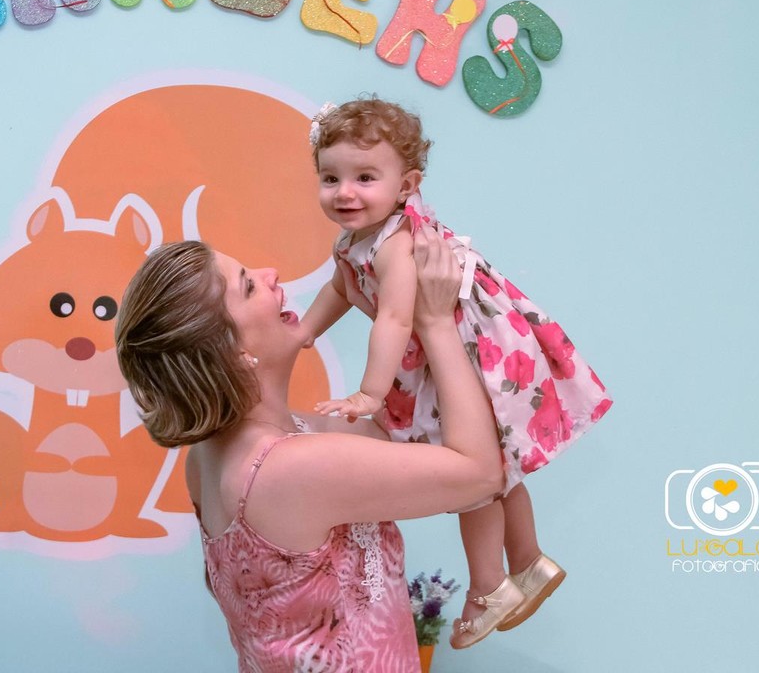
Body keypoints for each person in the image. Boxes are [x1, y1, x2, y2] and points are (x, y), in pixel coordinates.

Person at [115, 228, 503, 672]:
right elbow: (480, 474)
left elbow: (394, 432)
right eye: (248, 285)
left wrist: (395, 313)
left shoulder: (220, 454)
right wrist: (435, 322)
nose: (271, 275)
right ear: (233, 350)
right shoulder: (290, 468)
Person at [302, 97, 613, 649]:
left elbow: (397, 318)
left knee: (470, 474)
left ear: (406, 185)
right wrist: (304, 334)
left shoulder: (396, 244)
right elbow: (338, 291)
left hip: (472, 354)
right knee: (495, 462)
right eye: (331, 178)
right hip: (460, 353)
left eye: (364, 177)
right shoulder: (355, 240)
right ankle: (527, 560)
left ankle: (488, 586)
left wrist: (371, 394)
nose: (344, 192)